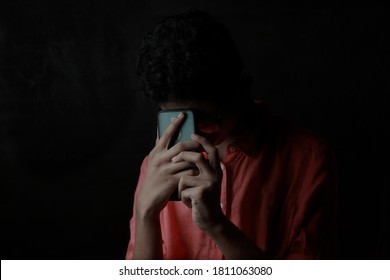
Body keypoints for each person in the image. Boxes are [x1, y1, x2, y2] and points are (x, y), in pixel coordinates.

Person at [125, 9, 337, 260]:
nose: (194, 136)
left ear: (241, 91)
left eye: (206, 121)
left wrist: (216, 225)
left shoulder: (309, 160)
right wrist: (145, 213)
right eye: (179, 122)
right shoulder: (157, 164)